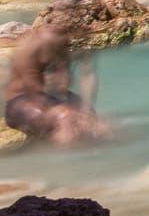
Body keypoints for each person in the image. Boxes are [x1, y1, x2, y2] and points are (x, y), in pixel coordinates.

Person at [4, 12, 108, 145]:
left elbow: (72, 80)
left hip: (51, 96)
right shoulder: (34, 45)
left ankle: (111, 156)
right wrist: (65, 109)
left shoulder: (64, 43)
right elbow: (33, 88)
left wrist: (84, 109)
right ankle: (65, 161)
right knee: (65, 118)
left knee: (94, 120)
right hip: (21, 100)